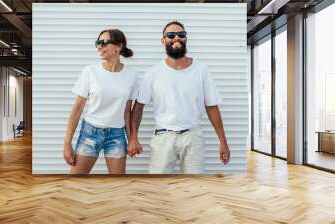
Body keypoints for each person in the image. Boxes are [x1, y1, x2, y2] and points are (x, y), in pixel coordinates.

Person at [127, 21, 231, 174]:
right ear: (163, 41)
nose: (176, 38)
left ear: (186, 39)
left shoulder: (201, 70)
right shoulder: (152, 73)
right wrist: (133, 138)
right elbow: (138, 107)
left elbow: (212, 106)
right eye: (170, 35)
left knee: (194, 188)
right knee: (158, 187)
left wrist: (223, 141)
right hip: (163, 137)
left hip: (192, 137)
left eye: (181, 34)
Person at [63, 29, 138, 174]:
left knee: (118, 186)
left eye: (104, 43)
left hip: (117, 135)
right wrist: (67, 144)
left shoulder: (132, 75)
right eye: (98, 43)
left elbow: (127, 112)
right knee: (75, 183)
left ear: (118, 46)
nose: (99, 46)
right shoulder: (90, 71)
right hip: (90, 132)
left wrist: (132, 140)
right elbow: (77, 109)